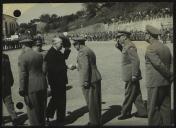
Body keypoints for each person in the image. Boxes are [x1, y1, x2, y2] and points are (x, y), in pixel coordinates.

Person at [115, 31, 147, 120]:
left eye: (119, 37)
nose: (118, 39)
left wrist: (134, 74)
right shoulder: (126, 46)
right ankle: (142, 112)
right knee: (136, 93)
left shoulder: (130, 46)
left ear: (124, 37)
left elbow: (135, 61)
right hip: (130, 74)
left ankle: (125, 113)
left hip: (131, 75)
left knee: (128, 94)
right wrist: (120, 47)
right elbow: (127, 57)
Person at [145, 25, 173, 126]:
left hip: (155, 83)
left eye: (146, 34)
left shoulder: (150, 48)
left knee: (153, 108)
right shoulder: (165, 47)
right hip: (166, 82)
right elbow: (172, 63)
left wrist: (168, 74)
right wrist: (171, 76)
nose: (145, 36)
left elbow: (158, 65)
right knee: (165, 107)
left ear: (149, 35)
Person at [70, 37, 102, 126]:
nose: (74, 46)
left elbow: (85, 67)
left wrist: (85, 81)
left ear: (79, 43)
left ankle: (94, 122)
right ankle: (97, 120)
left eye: (74, 44)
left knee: (91, 102)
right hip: (95, 77)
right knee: (96, 101)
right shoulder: (88, 50)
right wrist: (76, 66)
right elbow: (87, 64)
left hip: (90, 79)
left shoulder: (82, 52)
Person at [18, 39, 47, 126]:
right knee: (42, 111)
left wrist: (22, 89)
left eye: (22, 45)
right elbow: (44, 70)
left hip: (31, 87)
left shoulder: (23, 57)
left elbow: (23, 75)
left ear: (24, 45)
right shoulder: (39, 55)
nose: (22, 47)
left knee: (33, 113)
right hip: (42, 84)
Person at [44, 36, 71, 124]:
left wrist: (67, 49)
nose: (62, 45)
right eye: (61, 43)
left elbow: (63, 58)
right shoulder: (51, 53)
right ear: (55, 44)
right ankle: (48, 115)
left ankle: (60, 118)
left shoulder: (56, 51)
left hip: (60, 80)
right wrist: (67, 66)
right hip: (56, 81)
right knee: (57, 99)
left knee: (60, 100)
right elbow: (53, 69)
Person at [2, 53, 20, 125]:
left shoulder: (6, 56)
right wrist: (11, 80)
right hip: (6, 84)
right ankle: (14, 118)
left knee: (8, 101)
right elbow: (9, 70)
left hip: (6, 84)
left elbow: (9, 70)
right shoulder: (5, 56)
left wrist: (11, 79)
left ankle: (14, 118)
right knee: (9, 101)